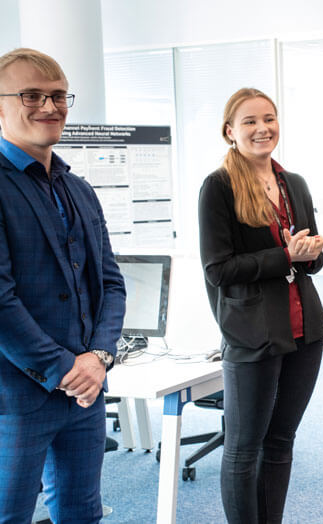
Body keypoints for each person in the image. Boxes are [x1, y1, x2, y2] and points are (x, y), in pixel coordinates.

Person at [0, 48, 126, 523]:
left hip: (85, 392)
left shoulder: (78, 189)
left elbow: (110, 283)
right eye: (31, 95)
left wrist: (98, 357)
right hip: (16, 395)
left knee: (80, 511)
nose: (49, 107)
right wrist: (66, 370)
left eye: (57, 96)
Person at [198, 87, 323, 523]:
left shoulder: (295, 183)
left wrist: (309, 252)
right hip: (253, 332)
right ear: (230, 131)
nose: (262, 129)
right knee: (242, 448)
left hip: (303, 330)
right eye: (251, 121)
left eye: (269, 119)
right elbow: (219, 270)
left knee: (280, 441)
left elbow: (311, 263)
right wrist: (284, 257)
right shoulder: (218, 187)